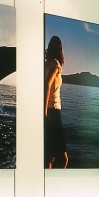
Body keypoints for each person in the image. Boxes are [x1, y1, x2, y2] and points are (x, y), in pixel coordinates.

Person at [43, 35, 67, 168]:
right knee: (64, 159)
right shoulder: (56, 65)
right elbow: (47, 85)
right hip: (53, 112)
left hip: (49, 110)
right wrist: (45, 111)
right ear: (60, 49)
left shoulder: (46, 64)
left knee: (49, 155)